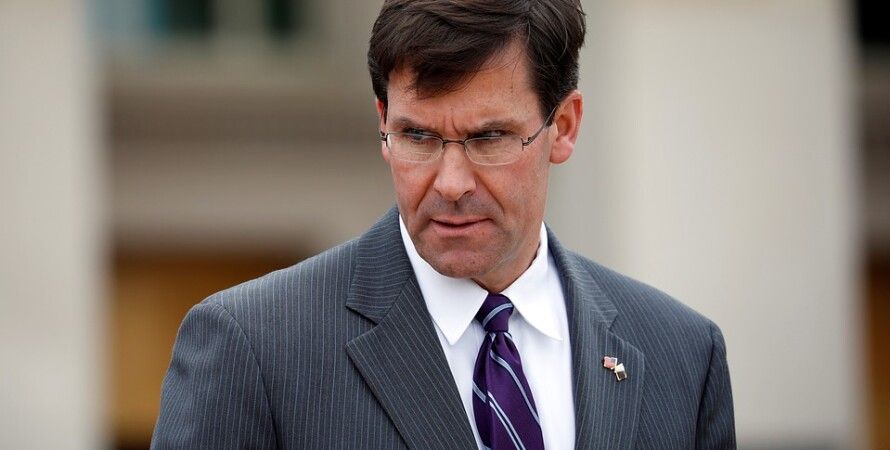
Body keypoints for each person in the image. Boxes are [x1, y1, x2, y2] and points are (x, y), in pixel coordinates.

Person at [152, 1, 735, 449]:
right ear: (383, 123)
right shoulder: (253, 348)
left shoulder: (682, 355)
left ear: (564, 126)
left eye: (489, 137)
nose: (451, 183)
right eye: (418, 136)